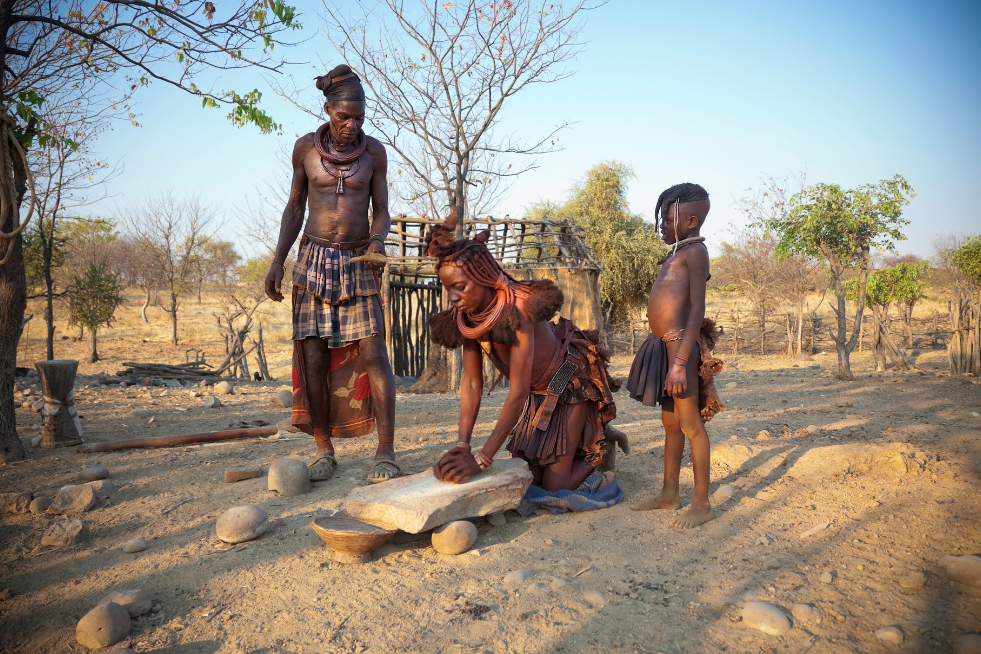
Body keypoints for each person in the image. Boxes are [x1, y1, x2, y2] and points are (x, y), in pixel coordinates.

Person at [264, 64, 399, 484]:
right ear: (328, 110)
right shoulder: (305, 149)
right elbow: (294, 208)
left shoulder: (374, 152)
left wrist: (377, 242)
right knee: (314, 357)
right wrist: (277, 260)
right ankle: (324, 448)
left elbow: (382, 211)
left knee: (375, 352)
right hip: (312, 261)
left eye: (359, 117)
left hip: (358, 260)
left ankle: (386, 451)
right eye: (344, 117)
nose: (351, 125)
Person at [425, 205, 623, 492]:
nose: (453, 297)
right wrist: (462, 445)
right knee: (531, 479)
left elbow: (517, 391)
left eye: (460, 287)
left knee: (555, 487)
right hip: (537, 392)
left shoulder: (517, 310)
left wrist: (482, 460)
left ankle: (599, 451)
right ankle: (579, 445)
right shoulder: (467, 317)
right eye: (448, 290)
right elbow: (471, 383)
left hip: (567, 382)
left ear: (482, 276)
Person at [627, 182, 724, 529]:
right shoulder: (674, 253)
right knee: (670, 423)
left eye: (668, 219)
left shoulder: (695, 253)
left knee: (690, 425)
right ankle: (669, 492)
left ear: (691, 220)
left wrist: (681, 363)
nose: (662, 226)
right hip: (663, 347)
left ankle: (702, 503)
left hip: (679, 348)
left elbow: (697, 309)